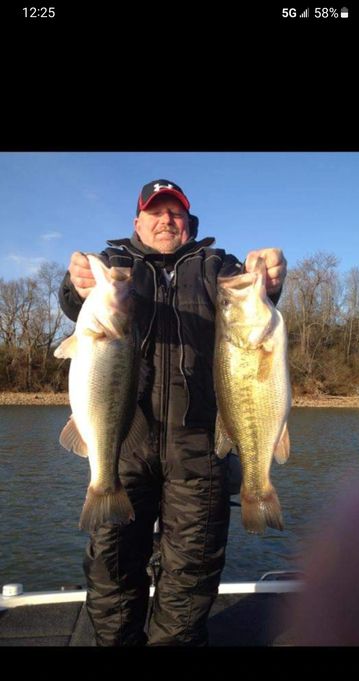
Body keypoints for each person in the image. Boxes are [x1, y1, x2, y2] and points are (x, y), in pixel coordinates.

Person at [59, 178, 287, 647]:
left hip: (199, 449)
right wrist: (74, 285)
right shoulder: (116, 267)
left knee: (190, 575)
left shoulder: (215, 266)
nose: (166, 219)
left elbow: (249, 305)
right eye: (156, 211)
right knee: (112, 566)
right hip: (123, 444)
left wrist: (269, 277)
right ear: (137, 220)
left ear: (189, 221)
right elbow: (73, 300)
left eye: (175, 212)